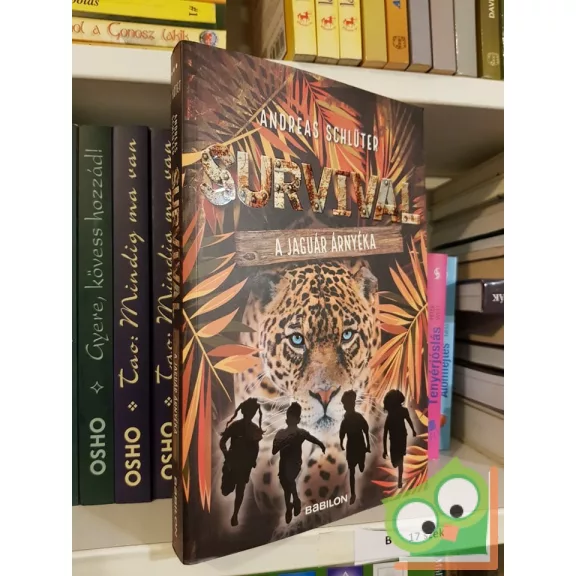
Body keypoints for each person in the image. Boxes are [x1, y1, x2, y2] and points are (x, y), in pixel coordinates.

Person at [272, 402, 326, 524]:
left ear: (298, 420)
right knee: (286, 487)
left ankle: (294, 502)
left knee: (289, 479)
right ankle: (290, 505)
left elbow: (312, 438)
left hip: (295, 464)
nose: (290, 420)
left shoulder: (300, 433)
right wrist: (285, 441)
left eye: (293, 418)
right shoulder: (281, 433)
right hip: (283, 464)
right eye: (289, 417)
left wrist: (321, 445)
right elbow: (274, 450)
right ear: (286, 418)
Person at [219, 398, 264, 527]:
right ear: (244, 411)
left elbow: (256, 447)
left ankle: (235, 515)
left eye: (253, 412)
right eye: (249, 411)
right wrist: (226, 454)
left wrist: (253, 460)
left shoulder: (255, 429)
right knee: (225, 491)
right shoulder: (235, 426)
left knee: (240, 489)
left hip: (245, 465)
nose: (251, 414)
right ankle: (228, 488)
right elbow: (222, 441)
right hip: (232, 462)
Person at [339, 389, 370, 504]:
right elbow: (342, 433)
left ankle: (361, 462)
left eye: (346, 404)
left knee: (361, 466)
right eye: (344, 405)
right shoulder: (345, 420)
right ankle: (353, 494)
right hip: (351, 446)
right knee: (351, 471)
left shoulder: (358, 417)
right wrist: (341, 443)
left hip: (360, 444)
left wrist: (368, 445)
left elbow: (366, 430)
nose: (345, 407)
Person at [382, 389, 416, 489]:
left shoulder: (403, 411)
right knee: (395, 462)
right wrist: (385, 450)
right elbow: (385, 433)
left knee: (400, 460)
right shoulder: (390, 416)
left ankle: (399, 481)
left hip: (400, 438)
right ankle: (399, 476)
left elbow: (409, 421)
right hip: (394, 439)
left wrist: (413, 430)